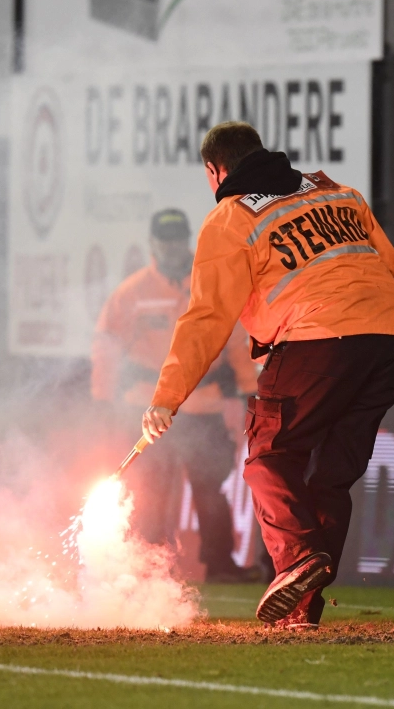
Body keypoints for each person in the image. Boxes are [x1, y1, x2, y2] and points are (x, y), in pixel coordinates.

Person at [140, 121, 394, 629]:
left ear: (214, 171)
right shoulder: (338, 193)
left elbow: (206, 318)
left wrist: (166, 397)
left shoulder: (231, 218)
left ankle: (297, 559)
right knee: (329, 478)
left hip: (316, 339)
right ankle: (302, 611)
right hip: (387, 340)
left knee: (268, 459)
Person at [92, 208, 259, 583]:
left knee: (211, 491)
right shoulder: (131, 294)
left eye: (178, 238)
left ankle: (221, 566)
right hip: (147, 408)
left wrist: (251, 392)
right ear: (152, 243)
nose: (172, 246)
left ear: (188, 241)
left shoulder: (208, 285)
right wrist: (102, 399)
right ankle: (149, 572)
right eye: (165, 239)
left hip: (204, 406)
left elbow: (236, 341)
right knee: (149, 496)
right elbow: (106, 349)